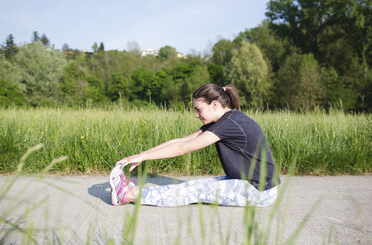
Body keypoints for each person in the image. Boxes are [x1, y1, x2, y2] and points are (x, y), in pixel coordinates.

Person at [110, 83, 280, 207]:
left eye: (198, 109)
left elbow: (183, 148)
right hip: (248, 183)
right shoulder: (225, 119)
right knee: (195, 186)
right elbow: (182, 141)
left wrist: (145, 156)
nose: (196, 115)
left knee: (194, 190)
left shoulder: (230, 124)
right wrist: (142, 155)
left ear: (214, 105)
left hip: (259, 191)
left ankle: (129, 195)